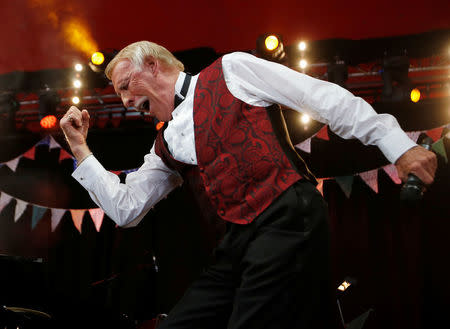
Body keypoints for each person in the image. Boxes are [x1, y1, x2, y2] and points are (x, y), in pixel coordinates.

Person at [60, 41, 437, 329]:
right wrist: (79, 147)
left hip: (287, 215)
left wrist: (397, 144)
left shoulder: (231, 70)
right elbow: (126, 209)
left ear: (154, 66)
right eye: (119, 95)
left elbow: (323, 99)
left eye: (127, 85)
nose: (125, 101)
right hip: (238, 241)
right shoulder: (166, 144)